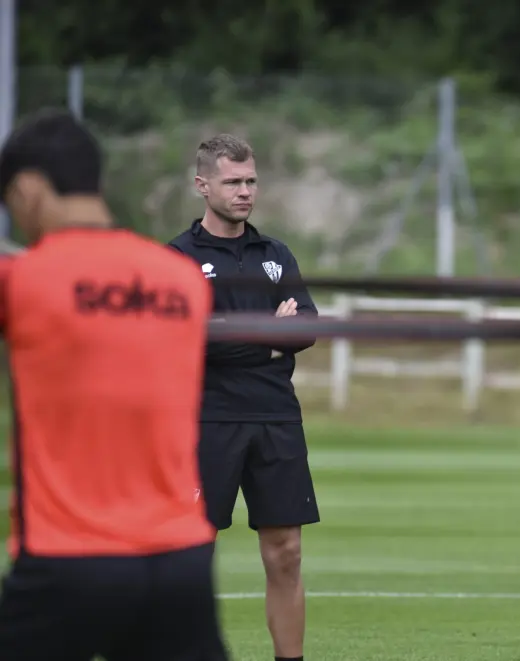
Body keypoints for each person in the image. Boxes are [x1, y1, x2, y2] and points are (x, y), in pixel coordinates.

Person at [0, 110, 227, 660]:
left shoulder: (24, 281)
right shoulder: (181, 282)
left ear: (29, 188)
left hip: (65, 560)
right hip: (180, 561)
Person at [168, 134, 319, 661]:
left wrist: (231, 334)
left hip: (277, 417)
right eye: (233, 182)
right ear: (202, 185)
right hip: (208, 419)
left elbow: (305, 329)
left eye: (251, 180)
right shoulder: (177, 260)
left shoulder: (275, 254)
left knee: (286, 552)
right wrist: (264, 335)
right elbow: (185, 342)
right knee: (192, 553)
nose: (245, 191)